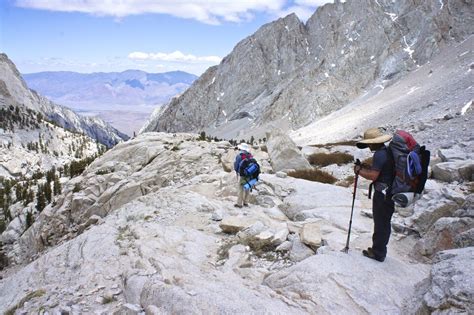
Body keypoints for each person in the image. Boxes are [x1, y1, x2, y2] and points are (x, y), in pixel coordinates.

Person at [354, 128, 394, 262]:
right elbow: (382, 171)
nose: (369, 146)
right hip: (390, 192)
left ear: (374, 143)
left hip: (382, 194)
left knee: (380, 222)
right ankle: (380, 249)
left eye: (370, 143)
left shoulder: (379, 155)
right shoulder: (386, 151)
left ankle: (378, 253)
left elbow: (373, 176)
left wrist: (359, 170)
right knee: (384, 222)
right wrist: (367, 167)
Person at [234, 143, 252, 208]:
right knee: (247, 188)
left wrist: (236, 171)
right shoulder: (250, 155)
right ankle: (246, 202)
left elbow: (236, 165)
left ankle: (239, 204)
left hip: (242, 174)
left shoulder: (239, 155)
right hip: (249, 174)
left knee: (240, 188)